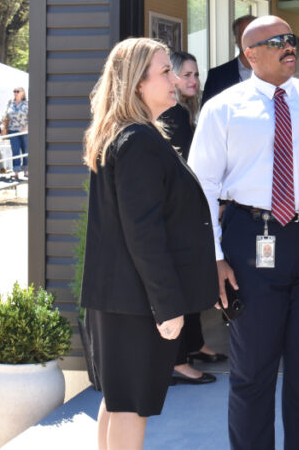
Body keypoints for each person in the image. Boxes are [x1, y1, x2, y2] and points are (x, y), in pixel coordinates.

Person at [188, 16, 299, 450]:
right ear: (250, 54)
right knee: (253, 370)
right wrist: (212, 258)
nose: (290, 47)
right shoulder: (223, 108)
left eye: (291, 39)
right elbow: (202, 189)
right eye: (276, 42)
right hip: (250, 243)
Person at [80, 37, 218, 450]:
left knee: (119, 401)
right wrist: (167, 306)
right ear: (137, 82)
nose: (175, 79)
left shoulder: (124, 134)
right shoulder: (137, 140)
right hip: (136, 303)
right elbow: (144, 233)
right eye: (164, 72)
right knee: (131, 407)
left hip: (119, 299)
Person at [159, 50, 226, 385]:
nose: (193, 81)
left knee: (196, 281)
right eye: (186, 75)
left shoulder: (186, 111)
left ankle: (195, 343)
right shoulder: (171, 115)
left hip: (190, 213)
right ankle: (179, 360)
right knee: (185, 285)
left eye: (195, 75)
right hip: (179, 217)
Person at [201, 14, 256, 105]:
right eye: (245, 34)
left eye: (254, 34)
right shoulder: (217, 76)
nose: (250, 38)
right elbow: (207, 112)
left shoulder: (273, 73)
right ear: (236, 39)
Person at [1, 87, 29, 179]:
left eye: (18, 91)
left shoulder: (27, 103)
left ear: (23, 93)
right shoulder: (10, 103)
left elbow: (32, 115)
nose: (16, 93)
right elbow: (5, 115)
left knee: (26, 150)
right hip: (13, 130)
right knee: (15, 150)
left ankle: (26, 170)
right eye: (14, 91)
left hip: (24, 130)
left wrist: (27, 126)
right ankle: (16, 172)